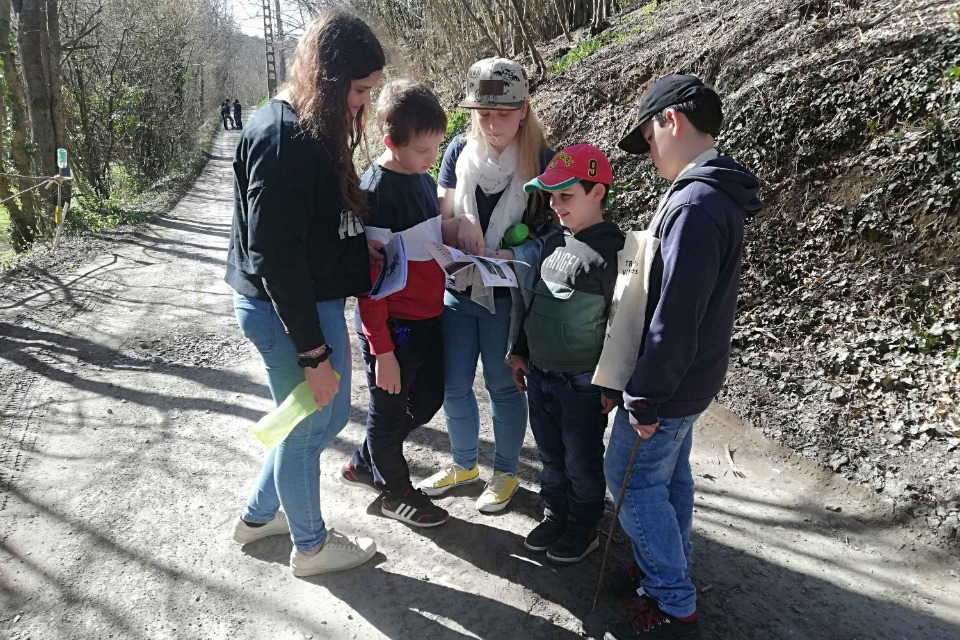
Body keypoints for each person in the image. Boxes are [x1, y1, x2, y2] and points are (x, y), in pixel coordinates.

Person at [601, 75, 762, 639]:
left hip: (668, 385)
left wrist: (643, 396)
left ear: (670, 120)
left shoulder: (695, 203)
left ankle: (673, 603)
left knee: (629, 479)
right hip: (692, 379)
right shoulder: (711, 192)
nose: (649, 154)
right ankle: (665, 564)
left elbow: (676, 315)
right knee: (668, 477)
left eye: (648, 139)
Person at [225, 12, 385, 577]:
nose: (364, 103)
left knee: (321, 417)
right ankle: (311, 547)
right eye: (359, 90)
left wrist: (357, 247)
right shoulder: (282, 137)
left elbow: (309, 224)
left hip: (305, 303)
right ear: (329, 78)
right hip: (285, 312)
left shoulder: (310, 124)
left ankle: (258, 515)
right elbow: (276, 256)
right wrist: (313, 354)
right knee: (310, 423)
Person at [416, 58, 554, 513]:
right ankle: (464, 464)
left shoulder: (543, 161)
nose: (492, 125)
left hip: (507, 298)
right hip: (458, 290)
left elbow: (559, 235)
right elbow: (441, 220)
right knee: (454, 385)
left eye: (502, 114)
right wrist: (459, 227)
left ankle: (507, 472)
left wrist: (515, 255)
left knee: (503, 386)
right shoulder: (458, 151)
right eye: (483, 114)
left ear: (524, 110)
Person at [338, 79, 455, 528]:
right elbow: (370, 286)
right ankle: (395, 493)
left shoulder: (422, 178)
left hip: (428, 317)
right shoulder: (376, 194)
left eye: (437, 147)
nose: (432, 158)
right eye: (423, 150)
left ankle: (365, 461)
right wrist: (382, 350)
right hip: (392, 329)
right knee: (387, 413)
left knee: (427, 401)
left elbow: (428, 241)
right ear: (391, 142)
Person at [511, 144, 624, 564]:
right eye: (552, 196)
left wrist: (612, 382)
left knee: (581, 461)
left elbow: (623, 327)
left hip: (581, 384)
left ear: (597, 192)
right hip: (540, 376)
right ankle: (555, 513)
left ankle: (583, 525)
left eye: (566, 195)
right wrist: (520, 352)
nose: (556, 206)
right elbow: (534, 305)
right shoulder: (554, 242)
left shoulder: (614, 254)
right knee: (550, 455)